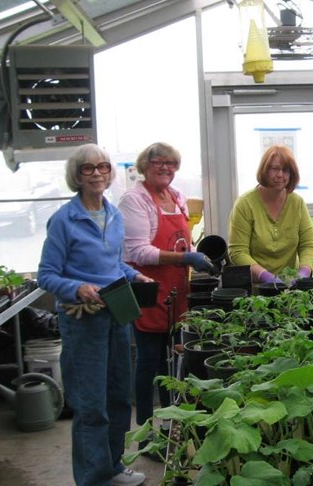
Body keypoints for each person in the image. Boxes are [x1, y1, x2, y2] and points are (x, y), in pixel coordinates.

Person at [37, 144, 152, 486]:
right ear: (77, 176)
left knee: (119, 396)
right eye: (88, 169)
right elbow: (46, 274)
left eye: (103, 167)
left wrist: (135, 276)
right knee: (91, 404)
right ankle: (93, 478)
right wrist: (77, 288)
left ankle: (113, 467)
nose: (98, 173)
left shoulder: (113, 215)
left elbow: (113, 264)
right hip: (83, 318)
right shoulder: (64, 220)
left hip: (116, 312)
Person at [118, 142, 214, 447]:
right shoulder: (134, 200)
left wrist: (198, 255)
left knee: (171, 363)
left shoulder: (177, 197)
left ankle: (172, 425)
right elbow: (137, 251)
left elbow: (181, 242)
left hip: (176, 291)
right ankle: (145, 435)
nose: (166, 168)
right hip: (148, 290)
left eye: (171, 164)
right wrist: (185, 259)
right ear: (145, 165)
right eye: (159, 162)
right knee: (147, 362)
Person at [228, 144, 313, 284]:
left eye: (286, 170)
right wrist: (265, 276)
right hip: (255, 291)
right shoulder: (245, 204)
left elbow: (308, 245)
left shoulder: (297, 203)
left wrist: (304, 271)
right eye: (274, 169)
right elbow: (238, 252)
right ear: (264, 170)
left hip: (290, 289)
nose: (280, 175)